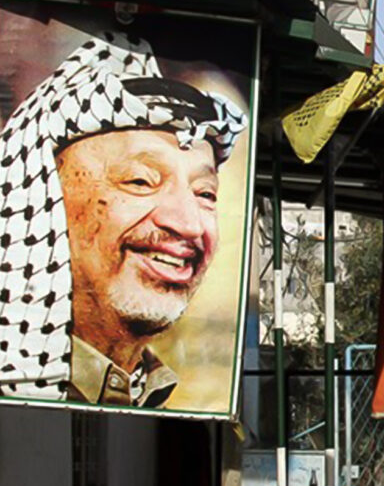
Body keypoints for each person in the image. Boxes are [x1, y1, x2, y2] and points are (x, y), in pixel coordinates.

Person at [0, 31, 246, 406]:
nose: (189, 224)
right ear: (46, 198)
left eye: (204, 194)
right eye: (140, 182)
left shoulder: (154, 394)